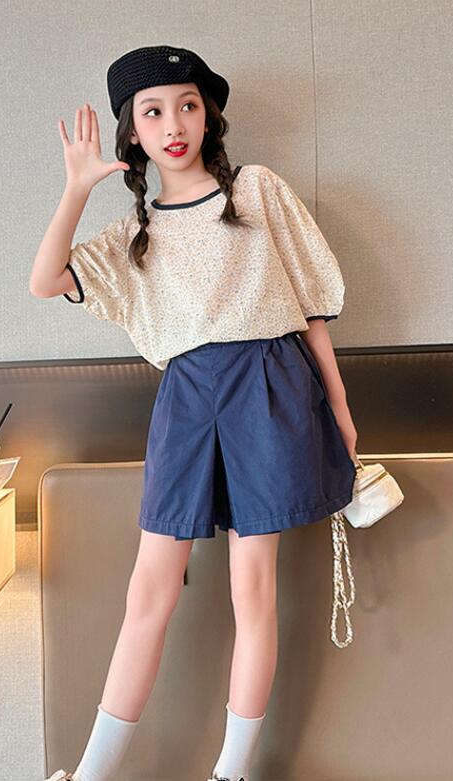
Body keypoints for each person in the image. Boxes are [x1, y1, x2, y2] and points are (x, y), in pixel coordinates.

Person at [30, 44, 358, 781]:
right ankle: (91, 774)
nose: (174, 124)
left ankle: (230, 773)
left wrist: (339, 409)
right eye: (153, 112)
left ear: (208, 116)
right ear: (133, 133)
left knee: (253, 589)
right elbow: (46, 280)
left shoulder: (259, 190)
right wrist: (76, 189)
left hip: (271, 388)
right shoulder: (132, 236)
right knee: (148, 590)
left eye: (187, 105)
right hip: (186, 400)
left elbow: (311, 309)